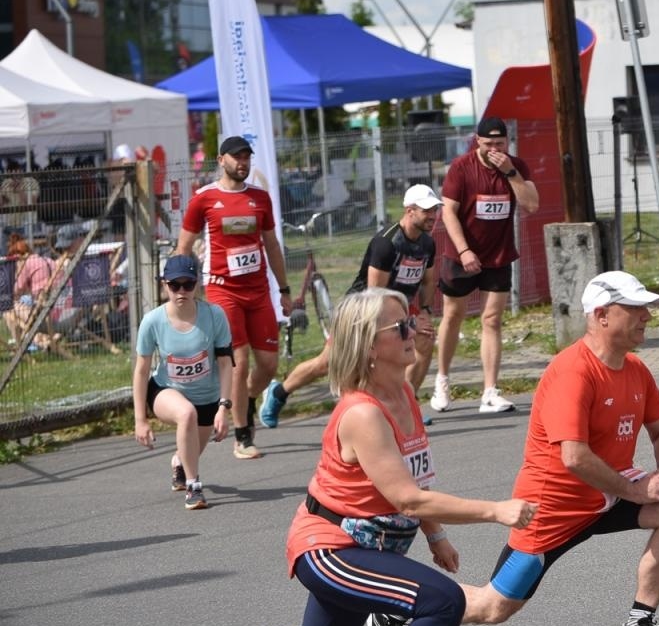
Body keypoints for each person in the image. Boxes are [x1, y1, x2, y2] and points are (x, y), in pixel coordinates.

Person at [166, 288, 536, 626]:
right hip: (330, 547)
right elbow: (409, 500)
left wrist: (436, 535)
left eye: (412, 320)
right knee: (441, 601)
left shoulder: (401, 392)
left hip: (366, 548)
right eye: (399, 327)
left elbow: (410, 479)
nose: (414, 330)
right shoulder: (363, 412)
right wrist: (496, 511)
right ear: (366, 344)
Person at [455, 272, 659, 626]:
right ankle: (399, 606)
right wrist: (635, 489)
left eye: (645, 309)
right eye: (635, 309)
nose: (646, 317)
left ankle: (638, 625)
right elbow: (574, 456)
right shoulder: (573, 372)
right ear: (601, 315)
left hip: (607, 493)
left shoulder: (636, 369)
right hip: (553, 508)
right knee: (494, 607)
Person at [261, 184, 441, 429]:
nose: (433, 216)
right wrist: (407, 320)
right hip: (363, 308)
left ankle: (405, 405)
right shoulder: (386, 244)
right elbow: (375, 296)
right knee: (327, 363)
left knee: (424, 340)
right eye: (427, 210)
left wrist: (426, 313)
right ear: (410, 211)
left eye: (435, 210)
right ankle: (279, 392)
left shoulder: (427, 244)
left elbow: (429, 280)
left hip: (399, 308)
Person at [176, 135, 292, 460]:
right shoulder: (204, 199)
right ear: (221, 159)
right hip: (222, 289)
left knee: (268, 365)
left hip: (258, 292)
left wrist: (284, 290)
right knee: (239, 363)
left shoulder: (260, 198)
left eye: (246, 157)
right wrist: (180, 293)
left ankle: (248, 399)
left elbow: (271, 246)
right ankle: (242, 436)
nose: (242, 163)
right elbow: (183, 249)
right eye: (236, 157)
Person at [430, 116, 538, 415]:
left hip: (499, 256)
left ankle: (490, 391)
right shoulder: (461, 168)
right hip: (461, 256)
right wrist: (464, 250)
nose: (494, 149)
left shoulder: (514, 166)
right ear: (477, 141)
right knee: (453, 316)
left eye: (500, 144)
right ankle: (442, 379)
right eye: (488, 144)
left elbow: (531, 204)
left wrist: (511, 173)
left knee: (492, 319)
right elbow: (448, 213)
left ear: (507, 142)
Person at [133, 255, 235, 509]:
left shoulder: (214, 316)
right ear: (164, 285)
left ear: (197, 284)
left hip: (208, 397)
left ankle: (179, 464)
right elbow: (141, 371)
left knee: (190, 450)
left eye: (187, 284)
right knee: (185, 413)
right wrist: (140, 420)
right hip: (166, 391)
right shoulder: (152, 321)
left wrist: (223, 407)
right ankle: (194, 487)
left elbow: (225, 363)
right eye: (174, 285)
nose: (181, 291)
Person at [3, 231, 50, 352]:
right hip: (65, 313)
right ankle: (41, 340)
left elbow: (15, 292)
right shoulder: (46, 260)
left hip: (48, 318)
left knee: (8, 310)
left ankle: (23, 350)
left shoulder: (27, 263)